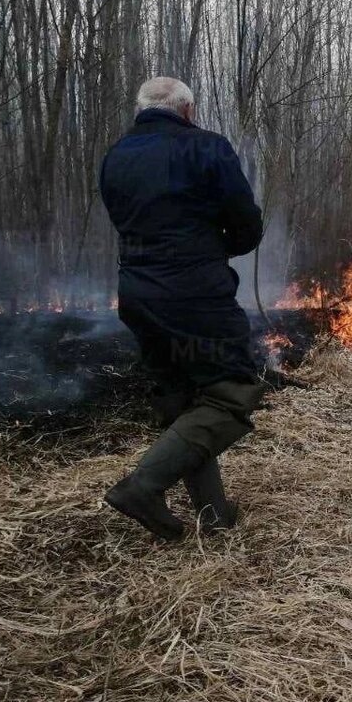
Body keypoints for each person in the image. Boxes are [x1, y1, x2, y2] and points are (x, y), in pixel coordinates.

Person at [99, 76, 264, 541]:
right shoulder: (206, 147)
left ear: (141, 110)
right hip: (195, 294)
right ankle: (143, 487)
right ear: (187, 110)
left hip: (136, 293)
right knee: (230, 396)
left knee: (183, 401)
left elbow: (124, 219)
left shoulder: (116, 156)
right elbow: (244, 220)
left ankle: (214, 514)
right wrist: (218, 248)